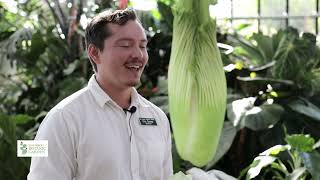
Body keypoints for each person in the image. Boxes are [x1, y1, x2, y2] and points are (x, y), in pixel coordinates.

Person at [28, 8, 173, 180]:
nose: (138, 55)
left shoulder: (158, 118)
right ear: (95, 53)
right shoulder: (63, 119)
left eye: (142, 46)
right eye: (125, 45)